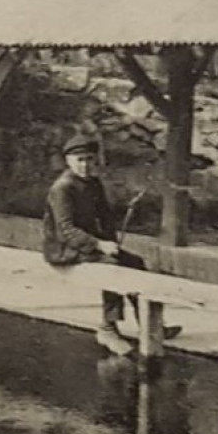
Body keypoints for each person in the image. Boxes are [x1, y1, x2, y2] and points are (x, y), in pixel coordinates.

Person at [43, 133, 180, 355]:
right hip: (63, 247)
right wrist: (99, 245)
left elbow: (104, 217)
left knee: (135, 263)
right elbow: (66, 230)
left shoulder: (93, 184)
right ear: (68, 161)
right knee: (112, 267)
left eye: (90, 159)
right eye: (80, 160)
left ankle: (150, 326)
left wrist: (111, 240)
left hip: (88, 243)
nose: (85, 165)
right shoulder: (63, 188)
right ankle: (108, 328)